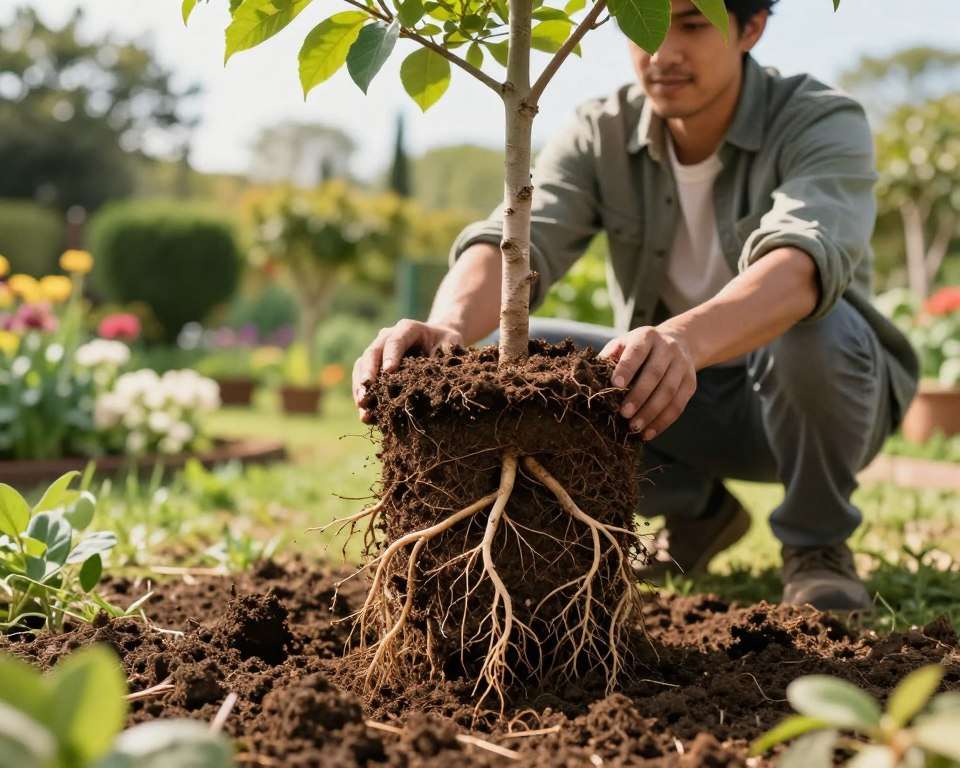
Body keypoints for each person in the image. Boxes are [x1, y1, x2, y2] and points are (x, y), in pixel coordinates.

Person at [352, 0, 918, 611]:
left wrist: (685, 341)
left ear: (750, 28)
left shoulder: (819, 119)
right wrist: (448, 327)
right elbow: (519, 238)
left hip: (816, 406)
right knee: (502, 360)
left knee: (811, 330)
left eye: (693, 24)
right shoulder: (602, 132)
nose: (663, 51)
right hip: (671, 404)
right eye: (644, 23)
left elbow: (802, 265)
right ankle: (699, 510)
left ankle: (817, 546)